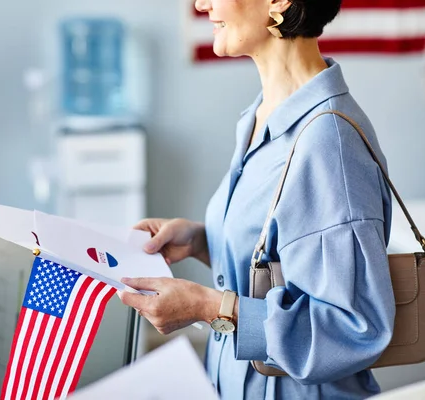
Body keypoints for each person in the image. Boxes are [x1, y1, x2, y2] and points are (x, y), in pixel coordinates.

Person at [118, 0, 396, 398]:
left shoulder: (327, 143)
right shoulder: (261, 116)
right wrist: (203, 240)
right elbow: (288, 257)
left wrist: (211, 307)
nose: (202, 4)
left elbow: (355, 329)